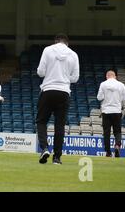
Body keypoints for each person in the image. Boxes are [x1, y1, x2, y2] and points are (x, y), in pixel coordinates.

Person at [36, 34, 80, 164]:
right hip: (64, 92)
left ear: (55, 41)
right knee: (59, 126)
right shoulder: (73, 54)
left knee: (41, 121)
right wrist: (65, 78)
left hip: (48, 89)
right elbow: (75, 78)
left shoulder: (48, 50)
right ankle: (57, 157)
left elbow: (41, 72)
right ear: (67, 43)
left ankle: (44, 148)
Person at [97, 70, 125, 158]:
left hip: (106, 111)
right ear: (115, 76)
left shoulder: (103, 84)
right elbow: (124, 98)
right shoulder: (121, 85)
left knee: (106, 133)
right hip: (117, 111)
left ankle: (108, 152)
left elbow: (99, 97)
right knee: (117, 131)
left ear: (107, 76)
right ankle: (117, 145)